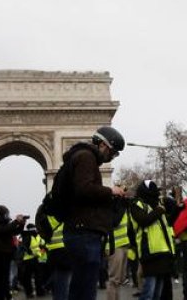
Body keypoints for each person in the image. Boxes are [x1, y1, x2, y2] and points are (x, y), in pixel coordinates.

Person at [55, 126, 127, 300]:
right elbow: (84, 189)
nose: (112, 156)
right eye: (112, 151)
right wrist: (111, 191)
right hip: (84, 233)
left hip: (80, 231)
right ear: (102, 144)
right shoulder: (86, 157)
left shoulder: (80, 157)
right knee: (85, 290)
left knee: (79, 288)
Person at [128, 180, 175, 300]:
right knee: (149, 291)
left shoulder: (157, 204)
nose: (156, 194)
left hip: (163, 250)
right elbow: (144, 220)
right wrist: (159, 210)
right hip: (149, 251)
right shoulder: (136, 204)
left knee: (158, 293)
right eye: (154, 191)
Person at [105, 200, 132, 300]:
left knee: (119, 280)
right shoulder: (112, 206)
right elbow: (115, 221)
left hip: (124, 245)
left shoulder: (123, 207)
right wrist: (121, 205)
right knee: (113, 280)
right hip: (114, 246)